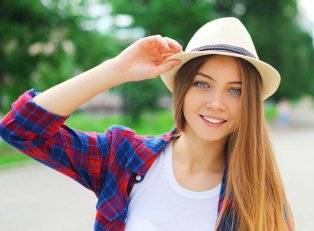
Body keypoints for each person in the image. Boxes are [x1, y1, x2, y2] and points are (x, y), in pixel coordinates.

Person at [0, 17, 294, 231]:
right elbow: (21, 128)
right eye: (202, 84)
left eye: (235, 90)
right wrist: (117, 70)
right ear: (182, 88)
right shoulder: (123, 156)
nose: (217, 102)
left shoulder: (259, 194)